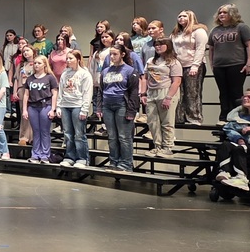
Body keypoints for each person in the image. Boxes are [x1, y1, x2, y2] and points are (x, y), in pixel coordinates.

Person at [94, 44, 141, 173]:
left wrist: (131, 111)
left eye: (115, 54)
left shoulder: (130, 71)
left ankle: (126, 164)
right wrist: (99, 108)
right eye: (111, 54)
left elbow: (134, 93)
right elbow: (100, 91)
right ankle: (113, 161)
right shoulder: (105, 71)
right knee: (112, 136)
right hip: (107, 106)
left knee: (124, 137)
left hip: (122, 105)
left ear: (122, 55)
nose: (112, 57)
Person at [209, 4, 250, 122]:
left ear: (232, 14)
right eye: (220, 13)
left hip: (236, 64)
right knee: (223, 93)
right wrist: (212, 65)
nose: (221, 15)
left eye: (225, 12)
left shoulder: (241, 27)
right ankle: (224, 117)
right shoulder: (215, 30)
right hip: (219, 66)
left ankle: (237, 116)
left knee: (235, 92)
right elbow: (211, 49)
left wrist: (249, 63)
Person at [144, 37, 182, 158]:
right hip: (152, 92)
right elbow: (145, 78)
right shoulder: (151, 60)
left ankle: (167, 147)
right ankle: (157, 146)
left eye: (161, 44)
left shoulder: (174, 62)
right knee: (153, 122)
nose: (158, 47)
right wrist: (143, 93)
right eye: (156, 45)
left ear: (168, 46)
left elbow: (176, 81)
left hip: (166, 91)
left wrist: (168, 97)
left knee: (167, 121)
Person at [171, 10, 209, 125]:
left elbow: (200, 49)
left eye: (184, 16)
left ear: (191, 18)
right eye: (179, 16)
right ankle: (180, 117)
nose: (181, 18)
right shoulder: (176, 33)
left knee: (192, 92)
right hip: (179, 66)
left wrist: (195, 66)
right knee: (179, 93)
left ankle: (194, 117)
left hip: (193, 65)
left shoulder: (199, 31)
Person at [57, 50, 93, 167]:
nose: (68, 60)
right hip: (65, 105)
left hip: (78, 106)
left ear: (78, 59)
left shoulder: (84, 74)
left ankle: (82, 159)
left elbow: (87, 93)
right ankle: (69, 157)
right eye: (67, 58)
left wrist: (84, 109)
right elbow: (61, 90)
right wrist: (58, 106)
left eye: (71, 58)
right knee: (67, 134)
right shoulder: (65, 74)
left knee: (79, 134)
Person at [22, 55, 58, 163]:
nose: (36, 65)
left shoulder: (50, 78)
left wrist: (53, 109)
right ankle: (35, 154)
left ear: (44, 65)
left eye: (39, 63)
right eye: (35, 63)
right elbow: (26, 95)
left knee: (44, 131)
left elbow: (54, 94)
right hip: (33, 106)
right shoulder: (30, 78)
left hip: (45, 105)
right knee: (36, 131)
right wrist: (24, 109)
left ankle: (45, 155)